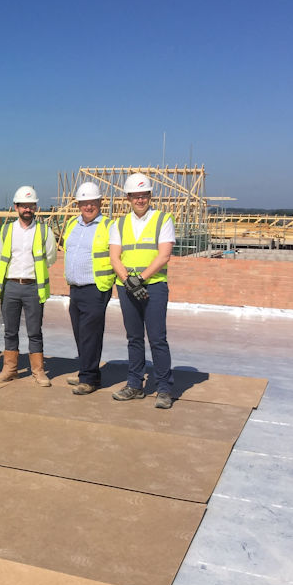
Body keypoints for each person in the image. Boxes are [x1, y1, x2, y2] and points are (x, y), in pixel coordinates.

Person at [109, 173, 176, 409]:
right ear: (128, 198)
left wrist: (141, 279)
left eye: (144, 195)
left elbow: (164, 254)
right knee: (134, 338)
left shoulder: (162, 219)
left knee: (157, 338)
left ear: (150, 196)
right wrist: (129, 281)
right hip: (128, 287)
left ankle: (164, 388)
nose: (140, 200)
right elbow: (114, 257)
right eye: (135, 196)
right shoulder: (118, 224)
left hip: (154, 286)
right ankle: (135, 384)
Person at [0, 185, 57, 386]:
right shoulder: (6, 230)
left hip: (33, 287)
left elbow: (51, 258)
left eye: (31, 206)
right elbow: (2, 255)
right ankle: (10, 369)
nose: (27, 209)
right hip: (11, 286)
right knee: (10, 331)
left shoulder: (44, 231)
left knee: (34, 331)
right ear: (16, 207)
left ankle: (38, 371)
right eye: (23, 206)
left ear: (35, 207)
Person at [60, 182, 115, 395]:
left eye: (92, 202)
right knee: (80, 332)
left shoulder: (109, 226)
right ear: (79, 204)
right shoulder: (73, 224)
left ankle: (89, 379)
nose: (88, 207)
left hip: (96, 288)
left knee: (91, 333)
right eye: (84, 203)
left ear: (100, 202)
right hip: (76, 288)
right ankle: (87, 371)